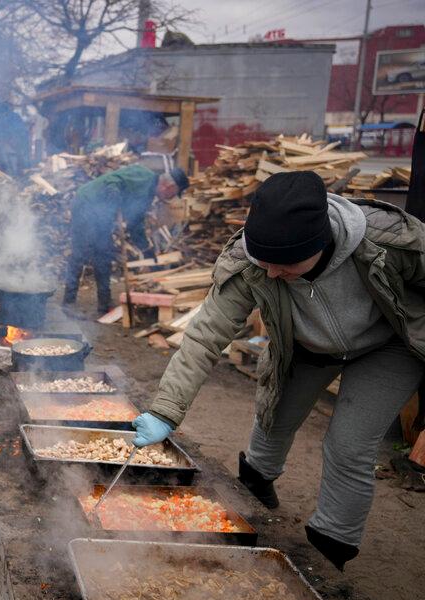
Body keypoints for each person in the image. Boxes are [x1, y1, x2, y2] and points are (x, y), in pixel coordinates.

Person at [132, 171, 425, 571]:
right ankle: (257, 485)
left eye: (283, 264)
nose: (270, 273)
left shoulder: (390, 239)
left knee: (348, 445)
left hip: (387, 344)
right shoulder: (249, 263)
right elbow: (204, 336)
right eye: (262, 262)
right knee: (273, 417)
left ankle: (329, 549)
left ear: (319, 244)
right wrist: (165, 410)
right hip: (303, 345)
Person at [62, 164, 188, 314]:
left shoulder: (148, 196)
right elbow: (113, 180)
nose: (171, 197)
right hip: (87, 203)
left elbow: (135, 223)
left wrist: (146, 250)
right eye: (174, 194)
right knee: (80, 252)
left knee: (103, 253)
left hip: (103, 214)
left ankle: (104, 302)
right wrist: (113, 192)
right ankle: (68, 303)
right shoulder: (142, 175)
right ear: (169, 186)